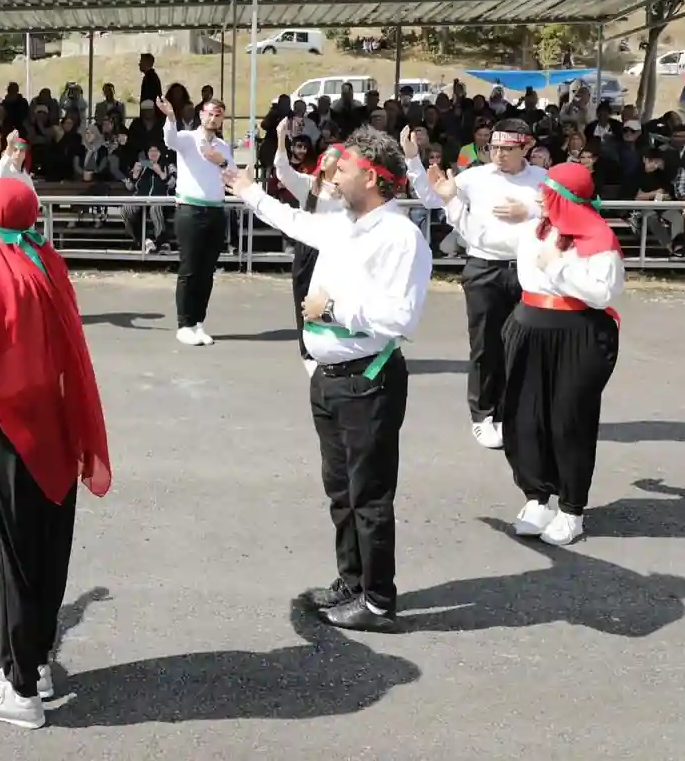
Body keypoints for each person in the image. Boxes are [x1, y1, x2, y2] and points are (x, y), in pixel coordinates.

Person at [226, 127, 432, 633]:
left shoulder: (400, 236)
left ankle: (379, 602)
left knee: (370, 495)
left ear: (373, 176)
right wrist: (251, 193)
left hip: (369, 379)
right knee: (341, 491)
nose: (334, 172)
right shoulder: (345, 223)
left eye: (344, 166)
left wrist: (333, 309)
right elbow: (298, 223)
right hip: (331, 378)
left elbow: (400, 317)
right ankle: (352, 582)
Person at [0, 176, 112, 730]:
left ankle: (21, 693)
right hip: (54, 425)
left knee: (8, 556)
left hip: (8, 430)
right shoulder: (45, 259)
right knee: (43, 551)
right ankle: (31, 664)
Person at [429, 161, 622, 547]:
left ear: (562, 198)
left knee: (568, 421)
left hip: (577, 333)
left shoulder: (597, 237)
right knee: (523, 417)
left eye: (545, 191)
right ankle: (537, 498)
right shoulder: (535, 229)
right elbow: (481, 236)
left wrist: (559, 271)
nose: (538, 196)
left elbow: (604, 293)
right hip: (528, 327)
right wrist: (452, 202)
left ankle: (571, 510)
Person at [402, 119, 545, 450]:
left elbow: (567, 209)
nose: (498, 155)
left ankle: (515, 413)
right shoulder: (475, 178)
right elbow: (431, 197)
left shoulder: (541, 180)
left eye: (507, 149)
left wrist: (529, 211)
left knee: (523, 345)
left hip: (529, 268)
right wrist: (413, 160)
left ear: (527, 146)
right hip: (485, 268)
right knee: (486, 345)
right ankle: (484, 415)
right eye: (493, 148)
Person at [157, 95, 234, 346]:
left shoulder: (223, 146)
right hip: (190, 210)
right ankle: (184, 323)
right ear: (201, 114)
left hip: (215, 210)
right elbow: (170, 140)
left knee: (206, 271)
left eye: (218, 114)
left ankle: (198, 322)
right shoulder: (188, 139)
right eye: (209, 113)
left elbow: (232, 175)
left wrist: (219, 160)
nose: (213, 118)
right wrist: (170, 116)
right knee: (189, 269)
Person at [273, 119, 345, 375]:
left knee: (332, 301)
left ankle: (332, 348)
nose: (327, 158)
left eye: (334, 156)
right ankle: (308, 352)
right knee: (304, 299)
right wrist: (281, 138)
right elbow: (282, 170)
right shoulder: (308, 185)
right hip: (308, 250)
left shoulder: (348, 192)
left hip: (335, 251)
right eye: (325, 154)